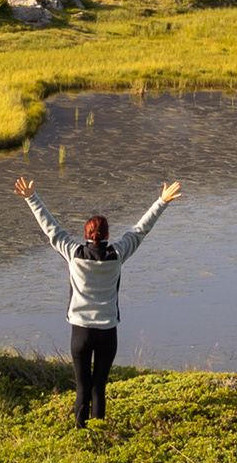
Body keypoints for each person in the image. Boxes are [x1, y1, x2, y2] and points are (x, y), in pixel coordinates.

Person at [13, 172, 180, 426]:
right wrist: (162, 201)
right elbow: (140, 230)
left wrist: (31, 197)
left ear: (86, 234)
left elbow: (51, 228)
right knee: (98, 387)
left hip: (80, 332)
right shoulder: (117, 253)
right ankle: (98, 434)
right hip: (107, 332)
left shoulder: (74, 253)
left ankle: (80, 436)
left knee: (82, 386)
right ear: (107, 234)